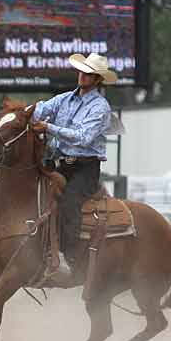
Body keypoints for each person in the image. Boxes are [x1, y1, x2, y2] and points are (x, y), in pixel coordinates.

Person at [31, 52, 117, 270]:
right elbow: (41, 109)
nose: (82, 75)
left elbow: (84, 137)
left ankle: (69, 257)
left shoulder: (100, 107)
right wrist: (23, 114)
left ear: (97, 79)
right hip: (59, 162)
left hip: (85, 168)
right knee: (33, 191)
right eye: (82, 71)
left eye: (89, 73)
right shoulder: (64, 98)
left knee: (70, 201)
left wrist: (49, 127)